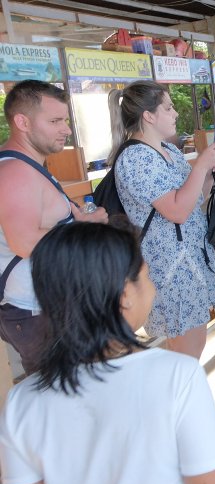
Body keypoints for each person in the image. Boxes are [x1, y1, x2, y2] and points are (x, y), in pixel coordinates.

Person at [0, 221, 215, 484]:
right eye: (146, 276)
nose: (154, 286)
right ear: (125, 295)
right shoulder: (176, 376)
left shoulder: (24, 402)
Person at [109, 80, 215, 359]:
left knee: (191, 343)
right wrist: (200, 166)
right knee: (188, 350)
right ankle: (184, 399)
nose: (175, 114)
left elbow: (193, 199)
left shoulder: (170, 151)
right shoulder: (136, 158)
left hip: (190, 260)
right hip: (170, 267)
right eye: (169, 108)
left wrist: (208, 173)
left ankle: (184, 398)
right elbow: (176, 211)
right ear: (148, 115)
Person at [0, 80, 108, 376]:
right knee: (65, 406)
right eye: (55, 121)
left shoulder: (28, 166)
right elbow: (24, 242)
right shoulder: (15, 173)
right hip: (39, 313)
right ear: (22, 122)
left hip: (48, 308)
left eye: (66, 120)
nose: (67, 129)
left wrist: (82, 221)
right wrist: (82, 231)